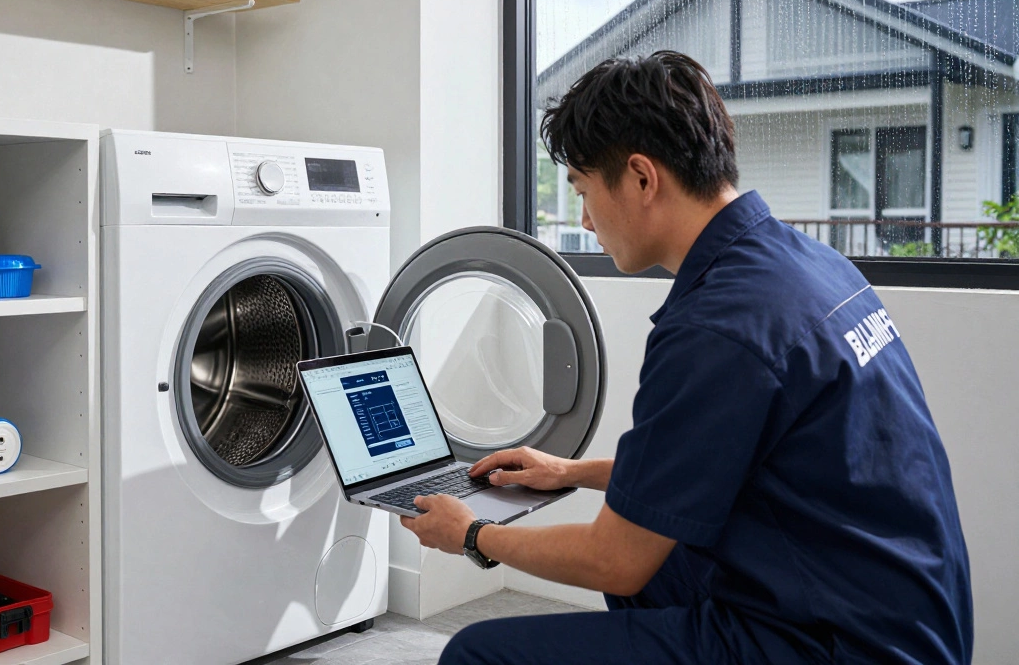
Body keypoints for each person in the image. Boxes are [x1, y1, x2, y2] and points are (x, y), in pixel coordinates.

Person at [402, 50, 973, 664]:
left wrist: (473, 534)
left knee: (479, 653)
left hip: (839, 644)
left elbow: (613, 560)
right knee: (659, 569)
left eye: (585, 192)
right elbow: (726, 459)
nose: (586, 220)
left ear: (642, 178)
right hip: (906, 620)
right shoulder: (805, 265)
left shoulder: (715, 327)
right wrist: (571, 472)